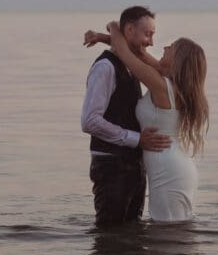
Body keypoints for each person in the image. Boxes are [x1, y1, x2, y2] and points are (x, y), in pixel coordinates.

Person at [87, 20, 209, 222]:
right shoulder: (171, 84)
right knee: (174, 232)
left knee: (167, 230)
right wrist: (104, 38)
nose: (165, 46)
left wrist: (115, 28)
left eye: (173, 47)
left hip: (168, 170)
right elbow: (139, 54)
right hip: (174, 165)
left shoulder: (161, 85)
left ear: (178, 60)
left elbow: (127, 56)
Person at [81, 6, 171, 227]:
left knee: (131, 237)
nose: (151, 42)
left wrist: (107, 34)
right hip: (111, 165)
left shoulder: (131, 65)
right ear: (129, 30)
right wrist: (136, 139)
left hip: (132, 164)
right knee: (109, 238)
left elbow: (151, 62)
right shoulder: (105, 67)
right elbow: (89, 121)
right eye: (147, 34)